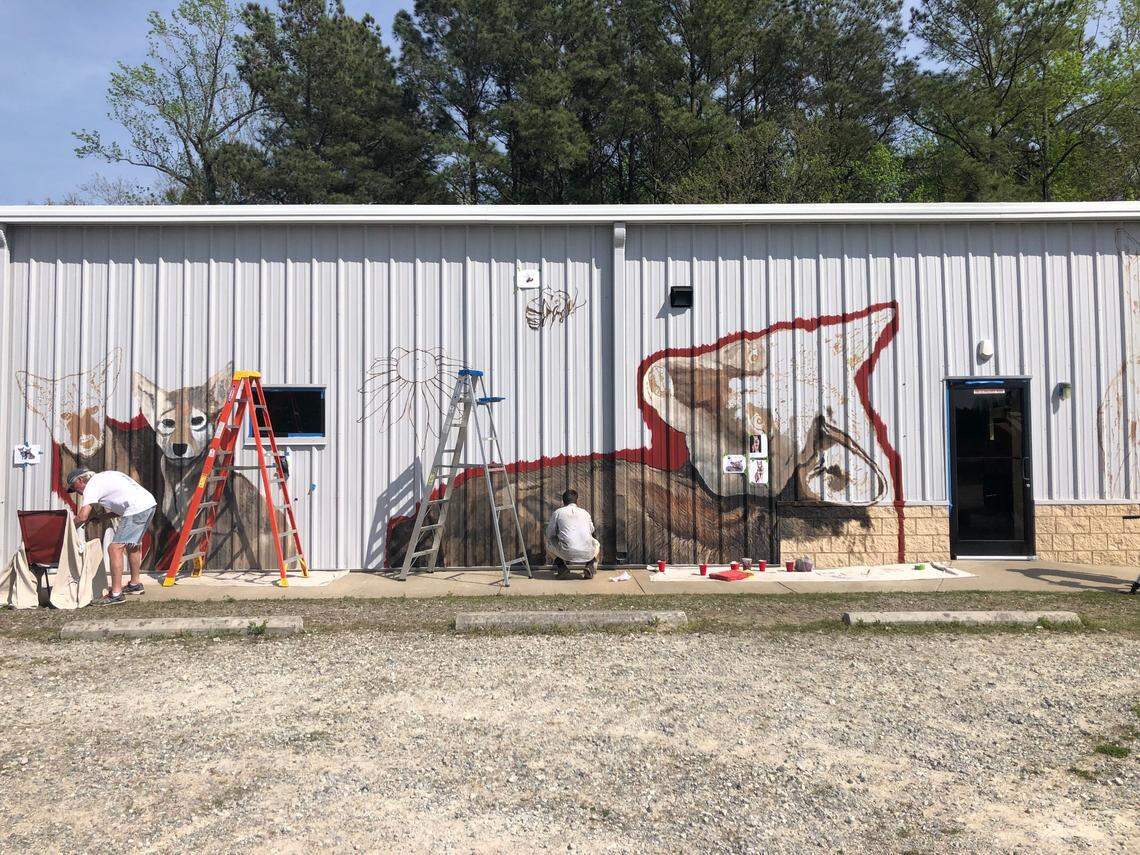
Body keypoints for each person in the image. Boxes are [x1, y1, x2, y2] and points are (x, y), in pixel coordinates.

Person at [65, 467, 157, 605]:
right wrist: (103, 516)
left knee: (114, 548)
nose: (76, 492)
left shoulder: (91, 486)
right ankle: (135, 584)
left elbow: (82, 516)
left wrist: (67, 530)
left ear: (81, 480)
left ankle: (116, 594)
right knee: (132, 545)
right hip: (148, 504)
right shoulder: (105, 477)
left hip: (137, 508)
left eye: (74, 487)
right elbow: (123, 504)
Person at [545, 488, 600, 579]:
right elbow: (591, 530)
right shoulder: (585, 513)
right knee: (597, 543)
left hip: (566, 552)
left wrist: (560, 535)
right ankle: (590, 565)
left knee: (548, 542)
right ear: (576, 501)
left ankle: (562, 568)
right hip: (588, 552)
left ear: (563, 501)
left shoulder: (558, 512)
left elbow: (549, 533)